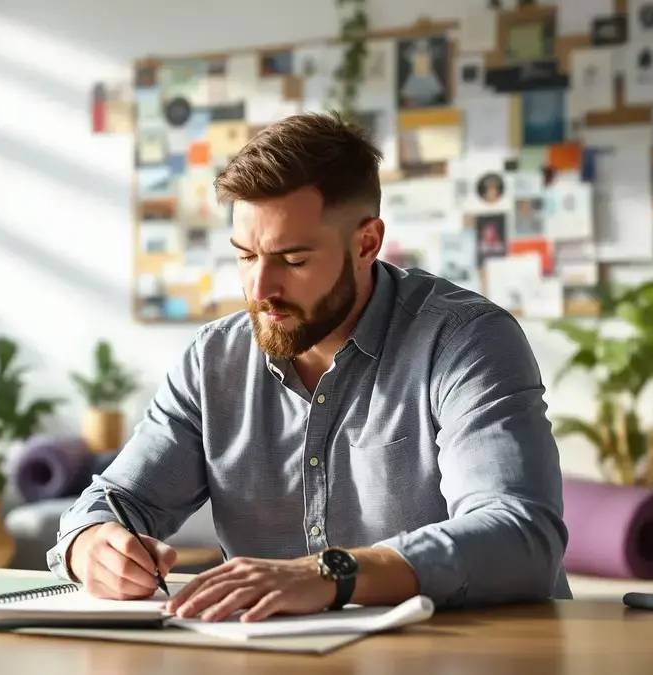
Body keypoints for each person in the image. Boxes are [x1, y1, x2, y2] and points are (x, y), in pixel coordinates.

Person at [46, 111, 570, 623]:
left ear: (366, 243)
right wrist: (92, 544)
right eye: (246, 256)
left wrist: (332, 574)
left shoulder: (465, 340)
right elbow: (115, 500)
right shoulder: (215, 361)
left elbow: (520, 536)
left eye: (293, 260)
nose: (259, 290)